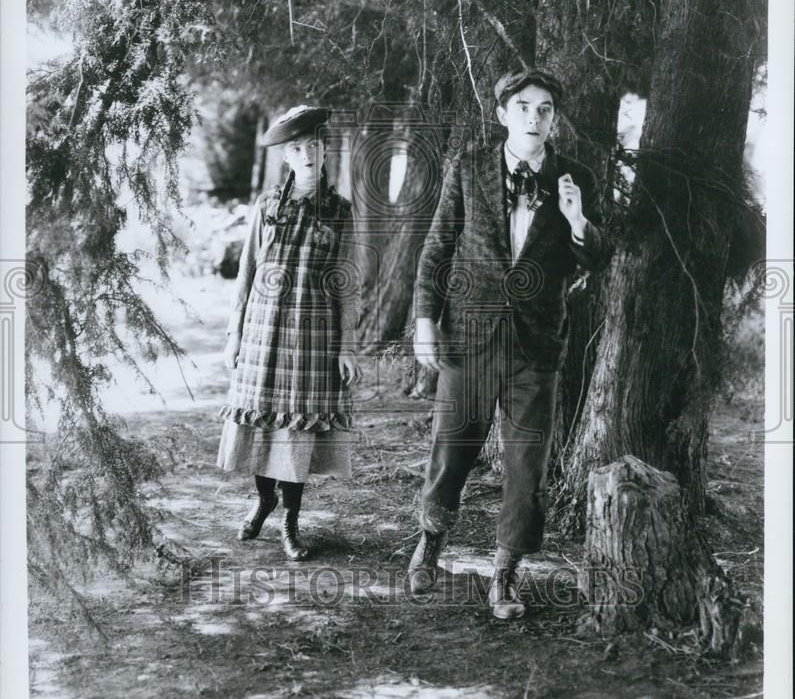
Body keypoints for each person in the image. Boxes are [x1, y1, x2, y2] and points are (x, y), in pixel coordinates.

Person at [410, 69, 612, 619]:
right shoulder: (470, 167)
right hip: (469, 337)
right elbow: (436, 249)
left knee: (527, 467)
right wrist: (425, 321)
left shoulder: (576, 177)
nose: (534, 116)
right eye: (523, 106)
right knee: (451, 452)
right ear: (502, 114)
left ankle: (505, 574)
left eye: (545, 108)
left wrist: (576, 221)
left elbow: (597, 255)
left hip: (536, 345)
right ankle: (430, 540)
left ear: (554, 118)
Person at [217, 105, 361, 559]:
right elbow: (246, 271)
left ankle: (291, 525)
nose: (306, 153)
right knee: (263, 423)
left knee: (297, 432)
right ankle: (262, 503)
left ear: (324, 148)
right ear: (286, 156)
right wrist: (233, 335)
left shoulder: (339, 212)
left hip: (312, 335)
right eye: (296, 147)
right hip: (263, 329)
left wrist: (347, 347)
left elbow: (347, 282)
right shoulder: (266, 208)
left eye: (314, 144)